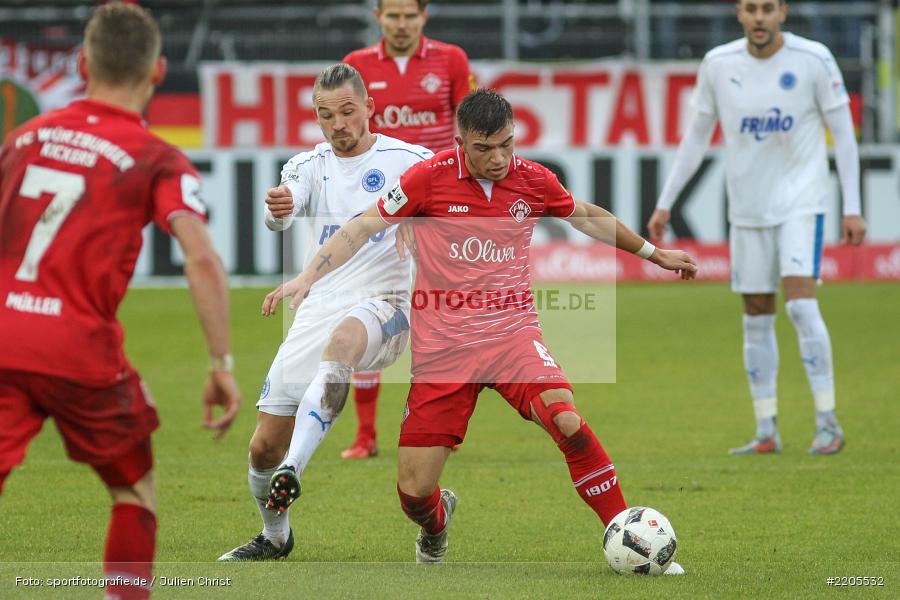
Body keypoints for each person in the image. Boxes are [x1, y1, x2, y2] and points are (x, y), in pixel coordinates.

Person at [261, 89, 696, 568]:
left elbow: (587, 216)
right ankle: (437, 523)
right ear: (460, 142)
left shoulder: (533, 180)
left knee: (565, 418)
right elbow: (362, 227)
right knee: (413, 492)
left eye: (507, 144)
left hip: (512, 337)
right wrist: (306, 276)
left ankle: (627, 533)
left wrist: (655, 254)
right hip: (443, 352)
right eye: (484, 148)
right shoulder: (428, 178)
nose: (499, 158)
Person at [0, 3, 240, 599]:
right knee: (134, 491)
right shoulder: (156, 156)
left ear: (83, 63)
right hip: (79, 350)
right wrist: (220, 365)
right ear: (158, 71)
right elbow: (202, 256)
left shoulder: (24, 137)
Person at [217, 63, 432, 562]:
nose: (337, 124)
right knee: (261, 448)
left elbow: (454, 188)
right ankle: (275, 536)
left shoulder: (411, 158)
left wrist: (424, 219)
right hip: (317, 305)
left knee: (342, 345)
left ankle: (295, 469)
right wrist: (279, 207)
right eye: (325, 114)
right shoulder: (308, 164)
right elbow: (286, 206)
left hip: (387, 306)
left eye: (347, 112)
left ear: (370, 108)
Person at [647, 0, 866, 455]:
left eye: (768, 8)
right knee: (756, 314)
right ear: (739, 13)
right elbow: (696, 137)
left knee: (802, 307)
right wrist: (666, 202)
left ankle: (828, 422)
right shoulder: (718, 64)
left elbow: (843, 134)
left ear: (782, 12)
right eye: (751, 9)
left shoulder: (813, 59)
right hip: (746, 208)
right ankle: (767, 430)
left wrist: (853, 205)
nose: (760, 17)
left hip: (801, 202)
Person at [340, 0, 475, 459]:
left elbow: (468, 126)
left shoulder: (451, 59)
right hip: (383, 204)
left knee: (444, 312)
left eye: (409, 15)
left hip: (440, 204)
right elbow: (351, 134)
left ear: (424, 17)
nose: (401, 24)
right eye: (392, 15)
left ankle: (441, 422)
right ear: (378, 17)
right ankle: (365, 434)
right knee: (367, 303)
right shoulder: (356, 65)